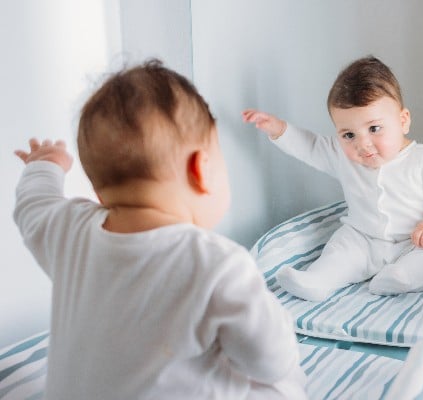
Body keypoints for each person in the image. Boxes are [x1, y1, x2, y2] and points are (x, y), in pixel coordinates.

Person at [13, 60, 307, 400]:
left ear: (98, 193)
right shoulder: (218, 264)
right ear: (202, 169)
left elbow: (32, 205)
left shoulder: (69, 230)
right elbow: (270, 360)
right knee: (283, 384)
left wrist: (45, 166)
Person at [242, 56, 423, 302]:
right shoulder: (342, 155)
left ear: (402, 121)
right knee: (341, 250)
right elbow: (310, 146)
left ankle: (403, 277)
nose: (363, 144)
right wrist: (279, 129)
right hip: (364, 239)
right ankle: (317, 281)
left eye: (374, 129)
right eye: (349, 134)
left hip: (415, 240)